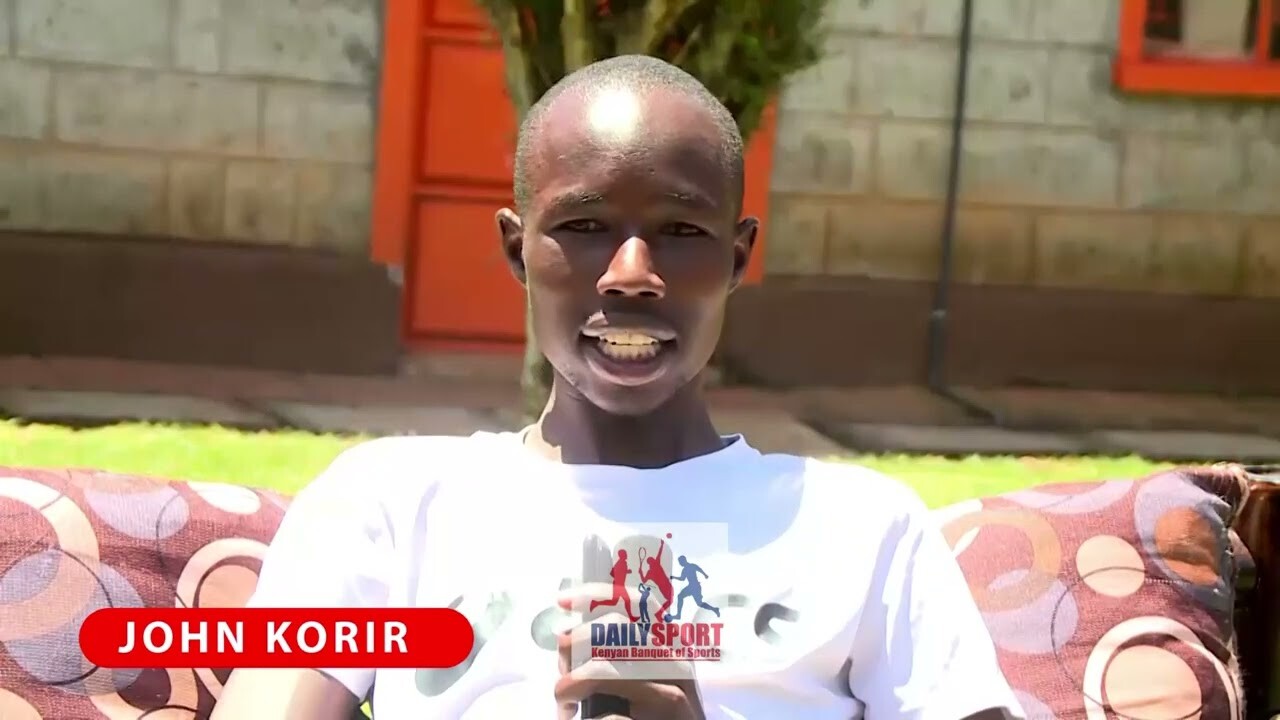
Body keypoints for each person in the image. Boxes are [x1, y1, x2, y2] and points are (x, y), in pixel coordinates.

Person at [214, 55, 1025, 720]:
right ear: (518, 250)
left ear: (737, 256)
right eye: (584, 226)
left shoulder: (862, 529)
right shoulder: (390, 505)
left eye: (681, 231)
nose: (631, 274)